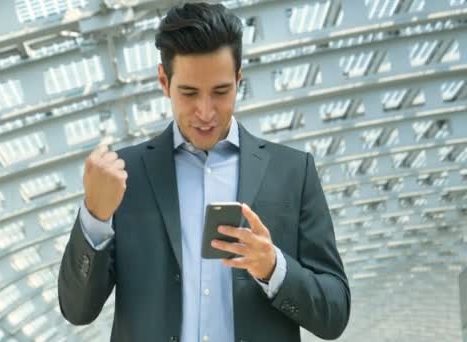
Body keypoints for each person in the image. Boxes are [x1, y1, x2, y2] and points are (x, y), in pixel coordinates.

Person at [58, 3, 350, 341]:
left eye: (221, 92)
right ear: (164, 82)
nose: (206, 112)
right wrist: (95, 215)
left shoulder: (291, 172)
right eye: (189, 93)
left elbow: (335, 314)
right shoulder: (126, 177)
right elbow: (77, 310)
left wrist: (273, 267)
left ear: (239, 80)